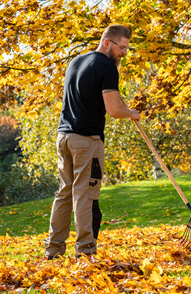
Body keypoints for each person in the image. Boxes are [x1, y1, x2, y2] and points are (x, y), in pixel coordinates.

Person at [44, 25, 140, 260]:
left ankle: (53, 250)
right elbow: (114, 110)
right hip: (86, 141)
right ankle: (86, 252)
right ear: (107, 43)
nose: (125, 53)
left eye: (127, 48)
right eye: (122, 47)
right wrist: (131, 112)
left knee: (64, 193)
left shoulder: (75, 62)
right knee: (85, 194)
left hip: (64, 137)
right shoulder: (107, 67)